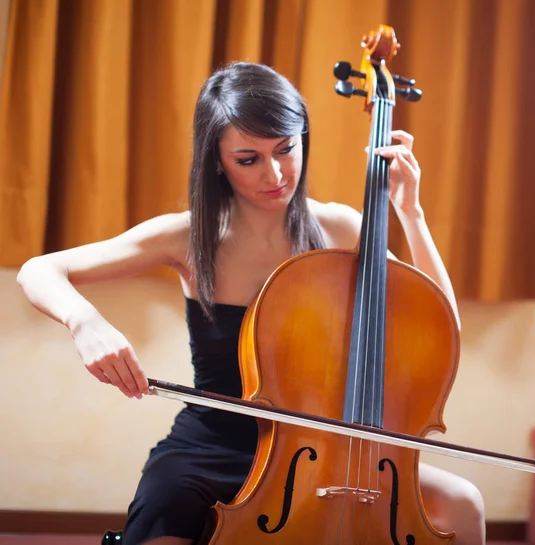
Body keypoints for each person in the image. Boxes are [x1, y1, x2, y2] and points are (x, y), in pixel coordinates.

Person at [17, 62, 485, 545]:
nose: (276, 173)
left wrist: (411, 213)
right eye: (249, 159)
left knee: (463, 502)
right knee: (162, 515)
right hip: (213, 444)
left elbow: (440, 327)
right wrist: (85, 321)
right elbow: (41, 270)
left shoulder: (340, 229)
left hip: (325, 449)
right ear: (217, 159)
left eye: (287, 149)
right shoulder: (189, 235)